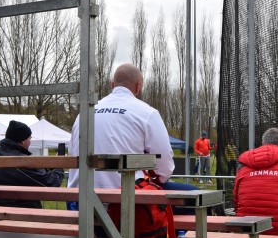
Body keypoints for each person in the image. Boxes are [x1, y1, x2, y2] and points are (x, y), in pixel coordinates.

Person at [67, 63, 198, 205]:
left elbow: (73, 152)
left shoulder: (84, 114)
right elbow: (165, 165)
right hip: (125, 202)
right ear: (138, 86)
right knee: (195, 195)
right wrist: (157, 180)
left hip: (79, 201)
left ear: (112, 85)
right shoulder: (147, 113)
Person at [0, 120, 64, 209]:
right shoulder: (21, 161)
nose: (30, 141)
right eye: (29, 138)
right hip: (21, 213)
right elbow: (50, 183)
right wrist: (59, 166)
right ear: (22, 141)